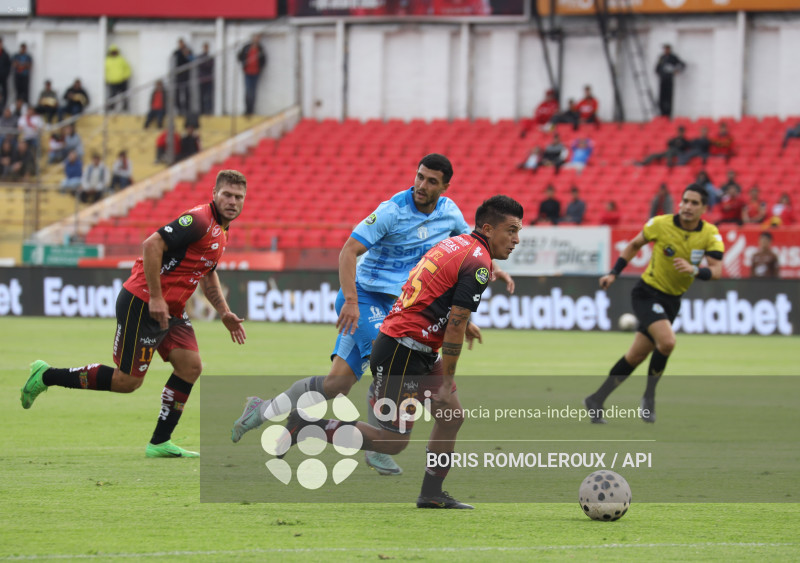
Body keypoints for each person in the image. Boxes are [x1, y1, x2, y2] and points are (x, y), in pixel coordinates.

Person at [230, 154, 515, 478]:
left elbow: (469, 247)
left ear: (445, 186)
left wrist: (495, 269)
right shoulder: (391, 211)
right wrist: (351, 300)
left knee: (336, 384)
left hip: (402, 304)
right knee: (388, 352)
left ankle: (263, 408)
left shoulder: (449, 211)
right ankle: (382, 443)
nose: (422, 185)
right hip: (365, 298)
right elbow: (348, 251)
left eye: (431, 181)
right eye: (419, 176)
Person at [270, 195, 524, 509]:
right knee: (391, 442)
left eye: (518, 232)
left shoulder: (456, 244)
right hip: (402, 353)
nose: (516, 240)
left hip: (413, 345)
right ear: (488, 228)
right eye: (511, 231)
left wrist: (451, 320)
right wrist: (447, 379)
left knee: (452, 417)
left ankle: (431, 493)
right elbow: (455, 326)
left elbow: (436, 294)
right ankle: (306, 426)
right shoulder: (479, 263)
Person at [20, 170, 248, 458]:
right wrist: (155, 297)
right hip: (142, 302)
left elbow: (207, 273)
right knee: (127, 382)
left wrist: (224, 312)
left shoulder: (222, 230)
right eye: (227, 194)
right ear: (214, 194)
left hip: (172, 309)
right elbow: (151, 244)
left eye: (238, 197)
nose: (232, 201)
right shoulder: (200, 220)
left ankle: (159, 442)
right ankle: (46, 375)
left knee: (190, 366)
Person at [585, 185, 724, 424]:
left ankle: (596, 399)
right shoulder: (660, 224)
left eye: (694, 203)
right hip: (647, 293)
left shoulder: (710, 234)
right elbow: (633, 245)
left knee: (635, 356)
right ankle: (649, 397)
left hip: (672, 300)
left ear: (704, 208)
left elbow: (717, 271)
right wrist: (613, 274)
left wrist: (694, 270)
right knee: (668, 342)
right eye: (685, 201)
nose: (687, 207)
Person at [237, 34, 267, 116]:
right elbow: (240, 56)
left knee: (253, 92)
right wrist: (243, 63)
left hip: (256, 73)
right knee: (248, 91)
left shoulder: (260, 49)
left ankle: (251, 110)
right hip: (247, 73)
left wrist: (260, 68)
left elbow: (264, 60)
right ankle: (247, 110)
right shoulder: (247, 47)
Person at [655, 44, 685, 118]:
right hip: (663, 80)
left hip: (669, 80)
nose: (666, 51)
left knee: (669, 98)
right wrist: (660, 73)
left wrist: (677, 71)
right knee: (662, 98)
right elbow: (657, 68)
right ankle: (661, 114)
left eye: (667, 49)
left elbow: (682, 64)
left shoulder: (673, 57)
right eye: (665, 49)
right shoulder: (662, 58)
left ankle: (668, 115)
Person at [105, 44, 132, 112]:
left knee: (124, 94)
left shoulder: (121, 59)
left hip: (122, 80)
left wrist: (126, 76)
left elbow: (127, 68)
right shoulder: (107, 61)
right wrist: (107, 79)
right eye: (112, 52)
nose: (114, 53)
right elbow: (105, 71)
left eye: (115, 51)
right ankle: (111, 107)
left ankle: (125, 106)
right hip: (112, 81)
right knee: (112, 95)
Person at [172, 39, 193, 115]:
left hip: (186, 75)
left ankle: (187, 109)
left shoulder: (188, 51)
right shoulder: (176, 52)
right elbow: (173, 61)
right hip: (178, 75)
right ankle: (179, 109)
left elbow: (192, 60)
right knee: (177, 93)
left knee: (186, 93)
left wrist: (187, 55)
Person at [197, 43, 215, 115]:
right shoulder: (200, 57)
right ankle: (202, 111)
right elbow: (201, 66)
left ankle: (208, 110)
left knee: (209, 96)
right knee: (201, 96)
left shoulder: (210, 57)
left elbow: (210, 66)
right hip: (202, 79)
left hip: (209, 79)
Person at [0, 38, 11, 107]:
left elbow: (8, 66)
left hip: (3, 76)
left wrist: (5, 74)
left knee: (4, 91)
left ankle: (3, 105)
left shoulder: (5, 54)